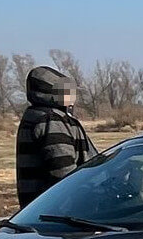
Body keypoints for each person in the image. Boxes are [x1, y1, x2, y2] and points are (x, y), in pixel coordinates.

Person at [16, 66, 95, 208]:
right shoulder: (51, 120)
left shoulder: (35, 116)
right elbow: (65, 177)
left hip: (41, 211)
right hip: (60, 214)